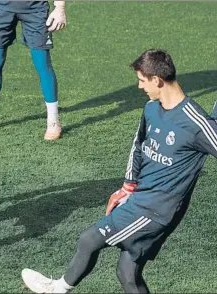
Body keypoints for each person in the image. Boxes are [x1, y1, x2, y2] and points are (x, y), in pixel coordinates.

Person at [21, 49, 217, 293]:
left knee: (89, 239)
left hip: (156, 210)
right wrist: (128, 187)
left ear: (157, 80)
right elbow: (138, 147)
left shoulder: (196, 123)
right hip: (140, 198)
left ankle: (57, 289)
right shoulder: (151, 109)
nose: (139, 86)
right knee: (128, 273)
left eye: (142, 80)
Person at [0, 1, 67, 141]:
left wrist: (60, 7)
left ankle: (53, 122)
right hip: (0, 7)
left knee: (42, 63)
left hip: (35, 8)